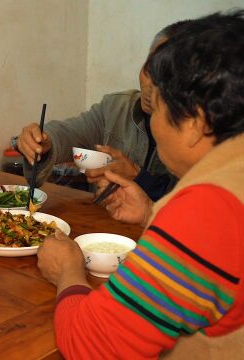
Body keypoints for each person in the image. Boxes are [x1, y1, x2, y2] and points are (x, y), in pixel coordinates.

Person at [37, 10, 244, 359]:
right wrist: (152, 212)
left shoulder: (208, 209)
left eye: (159, 106)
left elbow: (91, 346)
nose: (154, 122)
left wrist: (68, 271)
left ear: (194, 121)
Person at [15, 24, 185, 201]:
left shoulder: (195, 132)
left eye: (165, 78)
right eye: (149, 70)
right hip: (103, 224)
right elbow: (72, 133)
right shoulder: (117, 106)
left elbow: (193, 204)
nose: (150, 86)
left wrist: (138, 177)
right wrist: (45, 141)